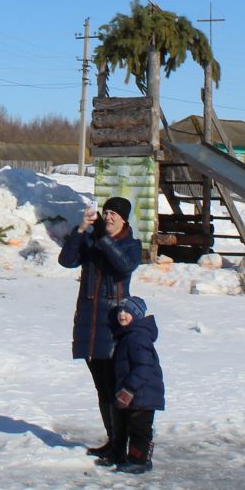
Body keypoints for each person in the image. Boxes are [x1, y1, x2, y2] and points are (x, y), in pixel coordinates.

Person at [59, 196, 142, 459]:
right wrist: (81, 230)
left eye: (113, 214)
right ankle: (113, 440)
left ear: (124, 219)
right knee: (101, 386)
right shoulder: (92, 240)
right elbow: (67, 260)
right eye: (105, 213)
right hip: (89, 322)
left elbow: (124, 266)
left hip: (114, 323)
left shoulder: (131, 245)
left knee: (116, 384)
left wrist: (103, 240)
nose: (108, 217)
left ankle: (122, 444)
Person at [101, 296, 164, 473]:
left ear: (136, 315)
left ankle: (139, 461)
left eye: (127, 312)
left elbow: (143, 367)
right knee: (125, 425)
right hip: (136, 393)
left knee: (139, 429)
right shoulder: (128, 335)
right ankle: (124, 456)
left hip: (143, 394)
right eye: (120, 311)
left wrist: (129, 389)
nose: (122, 315)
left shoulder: (137, 338)